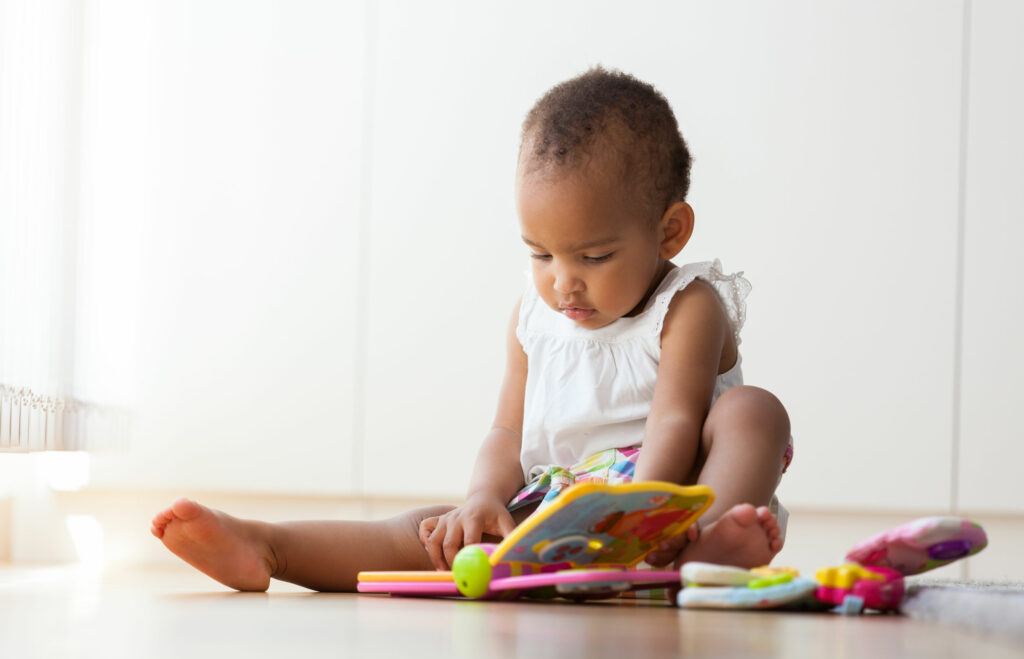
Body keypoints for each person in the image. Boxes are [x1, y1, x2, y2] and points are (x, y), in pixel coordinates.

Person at [151, 67, 792, 592]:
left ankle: (702, 556)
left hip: (667, 504)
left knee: (752, 412)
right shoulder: (534, 317)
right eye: (541, 254)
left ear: (669, 231)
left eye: (593, 257)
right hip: (560, 515)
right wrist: (483, 498)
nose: (563, 282)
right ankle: (270, 548)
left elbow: (675, 422)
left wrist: (638, 519)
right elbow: (506, 431)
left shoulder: (688, 306)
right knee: (430, 529)